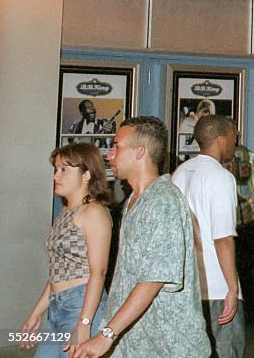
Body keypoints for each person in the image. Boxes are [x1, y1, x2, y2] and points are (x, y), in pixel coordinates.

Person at [73, 116, 210, 358]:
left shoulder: (162, 201)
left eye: (117, 146)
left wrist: (107, 335)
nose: (109, 154)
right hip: (137, 343)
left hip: (169, 347)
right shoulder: (134, 202)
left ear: (140, 152)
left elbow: (152, 280)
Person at [22, 143, 112, 357]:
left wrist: (84, 323)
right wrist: (36, 313)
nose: (56, 176)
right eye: (55, 169)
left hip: (80, 306)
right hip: (57, 307)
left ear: (86, 175)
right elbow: (58, 271)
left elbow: (98, 272)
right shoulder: (65, 211)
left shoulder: (94, 212)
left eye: (64, 170)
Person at [171, 115, 244, 358]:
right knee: (227, 350)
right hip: (216, 285)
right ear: (221, 139)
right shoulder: (221, 178)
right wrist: (232, 289)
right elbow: (222, 238)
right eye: (234, 135)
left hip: (187, 285)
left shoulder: (180, 173)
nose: (236, 141)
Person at [228, 138, 254, 323]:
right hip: (248, 220)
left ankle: (236, 310)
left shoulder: (215, 158)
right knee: (252, 268)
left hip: (227, 222)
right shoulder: (247, 155)